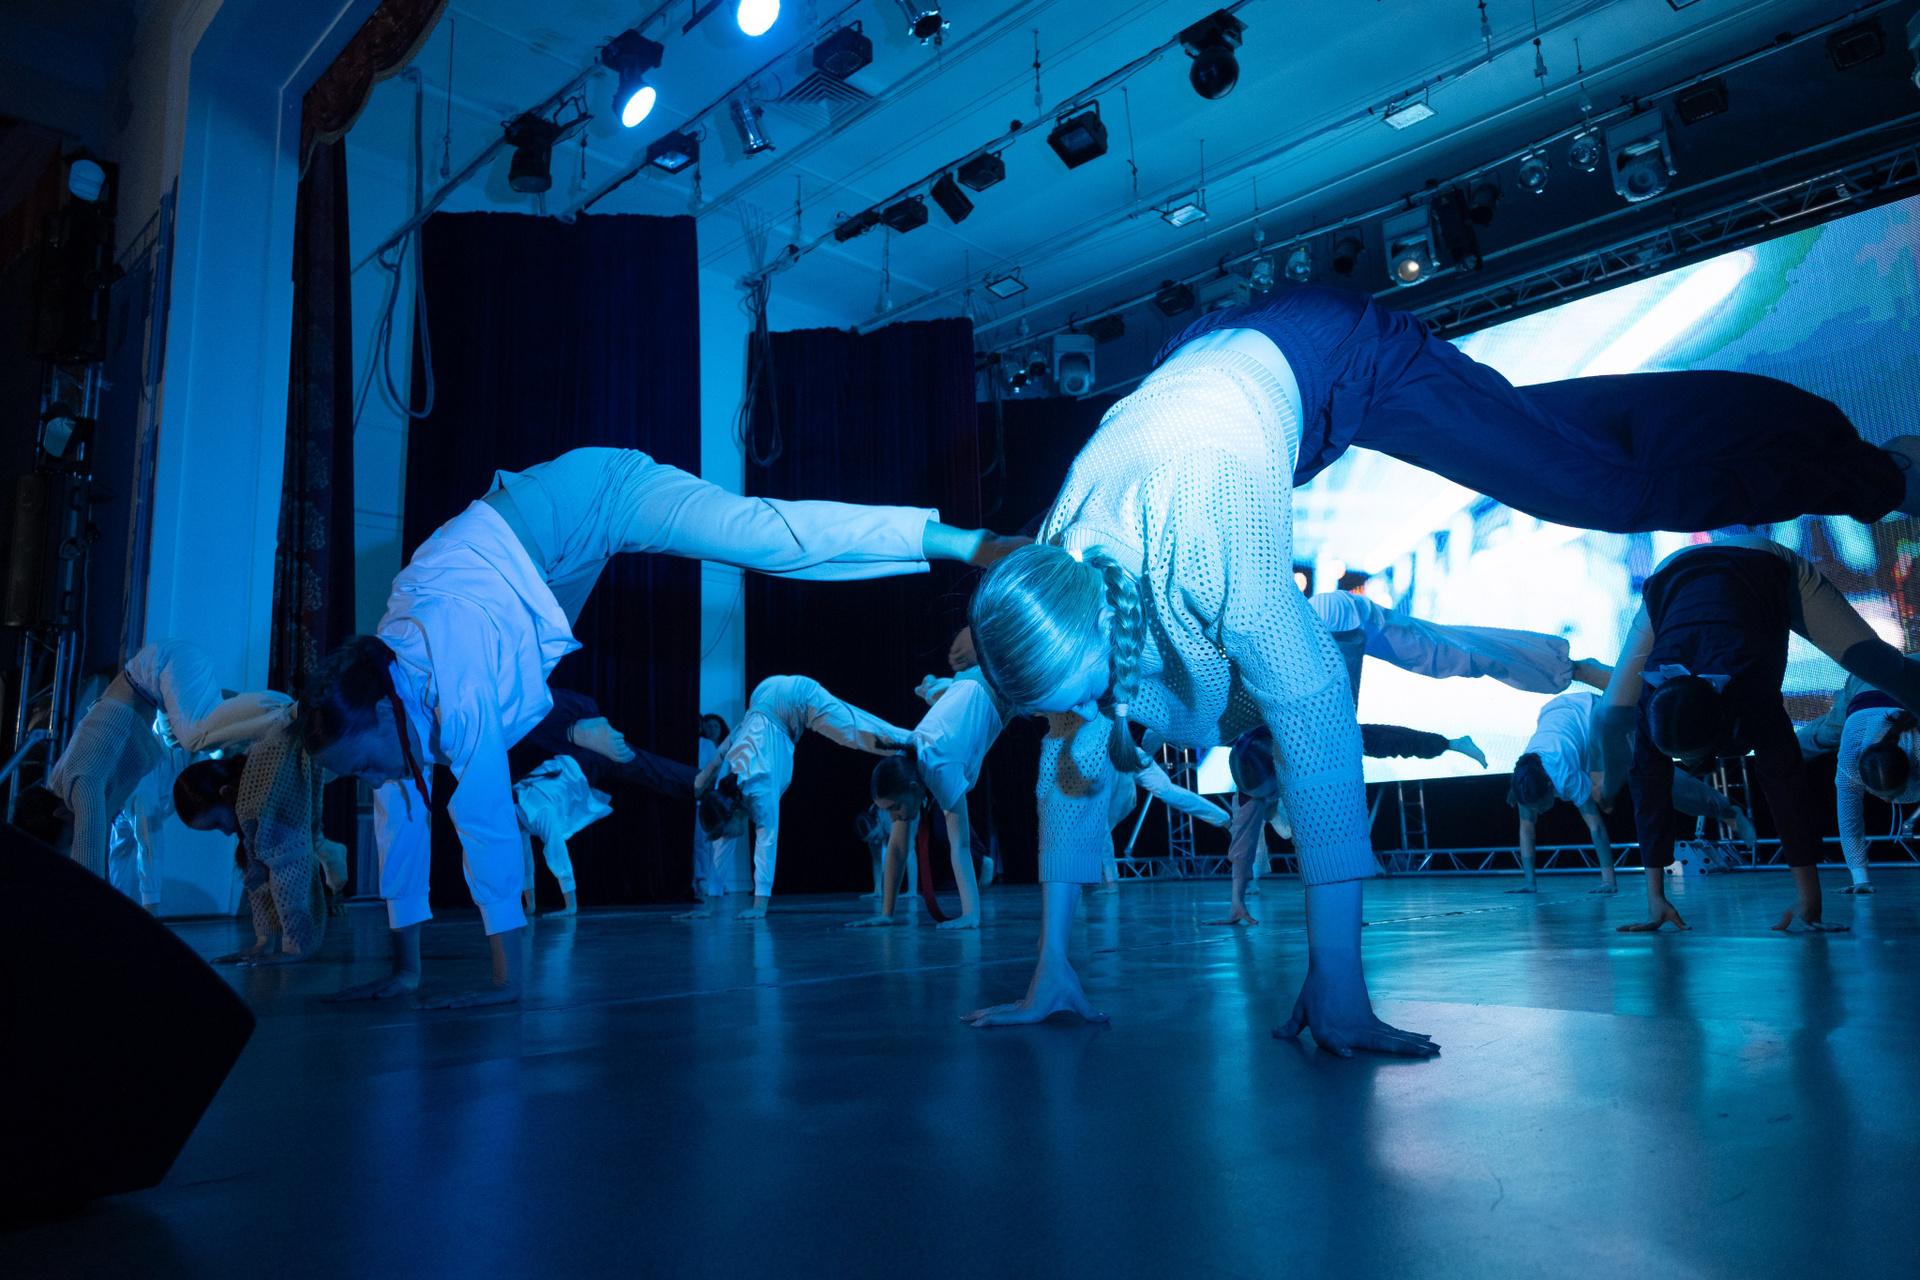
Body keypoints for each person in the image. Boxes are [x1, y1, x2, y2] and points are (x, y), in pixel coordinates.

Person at [300, 447, 1023, 1007]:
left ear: (381, 711)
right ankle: (575, 733)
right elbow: (399, 814)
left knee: (757, 533)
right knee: (431, 769)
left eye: (360, 765)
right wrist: (404, 970)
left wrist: (506, 980)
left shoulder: (446, 660)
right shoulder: (392, 687)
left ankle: (970, 543)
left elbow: (483, 813)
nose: (368, 779)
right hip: (535, 570)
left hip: (598, 493)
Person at [967, 319, 1438, 1057]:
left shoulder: (1213, 538)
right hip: (1180, 377)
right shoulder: (1061, 574)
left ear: (1108, 625)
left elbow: (1316, 719)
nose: (1080, 715)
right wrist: (1050, 966)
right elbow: (1070, 765)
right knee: (1090, 732)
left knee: (1568, 469)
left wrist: (1338, 978)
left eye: (1086, 692)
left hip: (1314, 349)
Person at [1166, 284, 1920, 532]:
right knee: (1579, 446)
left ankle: (1881, 478)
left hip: (1350, 363)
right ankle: (1850, 456)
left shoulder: (1152, 511)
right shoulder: (1141, 477)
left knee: (1614, 493)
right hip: (1333, 367)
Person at [1599, 535, 1920, 933]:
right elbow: (1649, 791)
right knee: (1610, 715)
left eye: (1688, 756)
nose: (1683, 764)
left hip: (1762, 564)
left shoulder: (1754, 699)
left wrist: (1810, 899)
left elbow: (1787, 790)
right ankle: (1605, 786)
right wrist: (1656, 900)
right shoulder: (1656, 704)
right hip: (1674, 573)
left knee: (1884, 668)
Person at [39, 640, 292, 883]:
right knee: (186, 740)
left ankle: (285, 712)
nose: (76, 836)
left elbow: (88, 864)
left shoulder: (80, 783)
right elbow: (104, 857)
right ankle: (235, 710)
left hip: (161, 666)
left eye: (71, 835)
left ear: (60, 812)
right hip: (160, 696)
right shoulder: (73, 781)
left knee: (194, 736)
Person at [1310, 588, 1613, 768]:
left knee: (1458, 653)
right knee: (1455, 652)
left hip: (1334, 623)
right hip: (1333, 623)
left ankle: (1574, 668)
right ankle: (1571, 668)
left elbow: (1373, 737)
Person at [689, 674, 910, 920]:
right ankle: (907, 743)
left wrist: (758, 907)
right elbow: (725, 748)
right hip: (761, 697)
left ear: (734, 812)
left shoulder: (758, 790)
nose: (727, 837)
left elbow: (766, 844)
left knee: (853, 731)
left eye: (725, 831)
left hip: (793, 698)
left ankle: (912, 743)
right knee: (852, 730)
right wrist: (709, 907)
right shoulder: (726, 789)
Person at [1506, 690, 1752, 895]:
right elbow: (1526, 830)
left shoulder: (1564, 775)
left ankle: (1726, 811)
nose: (1540, 812)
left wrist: (1608, 880)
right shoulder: (1525, 781)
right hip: (1559, 714)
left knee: (1651, 776)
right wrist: (1529, 882)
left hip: (1592, 717)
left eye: (1541, 806)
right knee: (1606, 789)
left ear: (1551, 786)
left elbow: (1596, 828)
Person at [849, 641, 1009, 931]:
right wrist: (886, 914)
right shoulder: (905, 761)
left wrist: (970, 915)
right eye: (888, 811)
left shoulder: (940, 769)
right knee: (936, 691)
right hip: (964, 684)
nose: (894, 817)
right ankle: (934, 687)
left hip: (994, 685)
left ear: (913, 788)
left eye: (894, 808)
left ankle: (935, 686)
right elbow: (897, 849)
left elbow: (960, 845)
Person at [173, 721, 349, 966]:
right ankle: (325, 847)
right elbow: (257, 874)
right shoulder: (246, 796)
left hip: (337, 739)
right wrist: (263, 943)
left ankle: (326, 849)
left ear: (225, 793)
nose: (225, 832)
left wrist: (295, 947)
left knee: (288, 851)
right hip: (315, 754)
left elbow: (289, 871)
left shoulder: (258, 801)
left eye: (217, 823)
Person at [507, 686, 694, 915]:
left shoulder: (537, 814)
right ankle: (574, 729)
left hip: (582, 763)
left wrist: (569, 906)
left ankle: (574, 731)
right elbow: (527, 862)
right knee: (642, 764)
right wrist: (531, 905)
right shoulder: (521, 809)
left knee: (641, 765)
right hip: (572, 757)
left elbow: (557, 855)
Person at [1799, 673, 1919, 894]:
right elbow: (1849, 820)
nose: (1887, 801)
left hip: (1904, 674)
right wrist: (1860, 879)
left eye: (1893, 794)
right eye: (1885, 795)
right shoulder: (1850, 763)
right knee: (1828, 734)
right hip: (1864, 680)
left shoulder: (1917, 746)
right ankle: (1784, 748)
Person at [1096, 727, 1230, 892]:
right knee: (1168, 791)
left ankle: (1110, 880)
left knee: (1099, 823)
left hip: (1114, 758)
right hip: (1131, 753)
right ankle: (1224, 819)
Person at [1206, 726, 1292, 927]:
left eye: (1268, 793)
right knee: (1259, 822)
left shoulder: (1299, 761)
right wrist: (1237, 903)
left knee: (1290, 832)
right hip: (1267, 777)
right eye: (1261, 795)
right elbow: (1242, 843)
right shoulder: (1247, 785)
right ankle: (1269, 807)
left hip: (1290, 773)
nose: (1267, 797)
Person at [695, 714, 730, 897]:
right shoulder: (703, 745)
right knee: (702, 843)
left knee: (717, 843)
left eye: (715, 726)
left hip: (717, 800)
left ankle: (713, 880)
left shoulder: (723, 747)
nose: (711, 729)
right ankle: (701, 879)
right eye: (707, 726)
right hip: (702, 799)